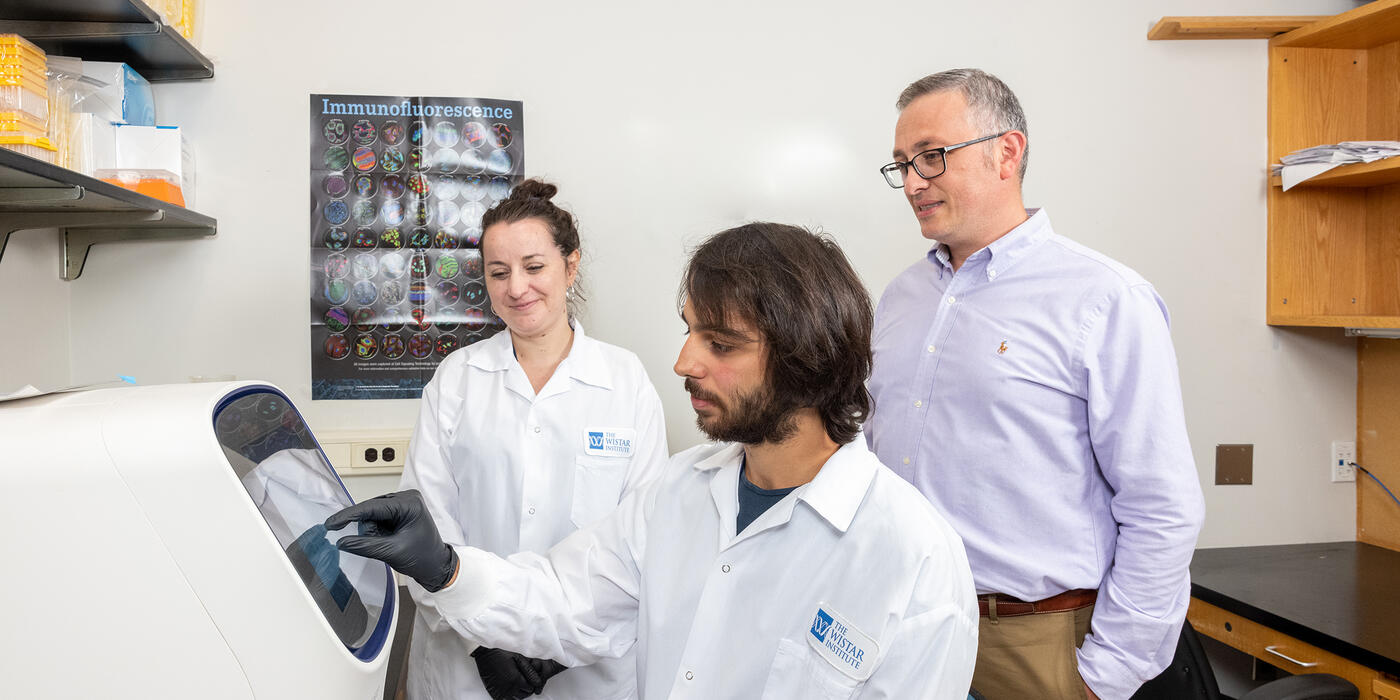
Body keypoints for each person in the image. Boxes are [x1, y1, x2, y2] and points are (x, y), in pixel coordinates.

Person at [328, 222, 980, 699]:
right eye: (689, 329)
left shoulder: (912, 559)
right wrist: (443, 568)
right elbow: (563, 596)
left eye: (720, 343)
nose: (684, 362)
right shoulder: (678, 493)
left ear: (805, 358)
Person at [866, 68, 1205, 700]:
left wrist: (1104, 677)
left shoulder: (1104, 298)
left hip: (1032, 642)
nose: (913, 182)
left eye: (931, 157)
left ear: (1007, 151)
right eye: (901, 164)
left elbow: (1162, 505)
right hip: (907, 627)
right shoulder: (900, 299)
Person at [398, 179, 670, 700]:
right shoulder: (457, 379)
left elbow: (645, 536)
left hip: (586, 669)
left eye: (534, 267)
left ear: (570, 267)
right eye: (498, 273)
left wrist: (551, 648)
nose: (517, 287)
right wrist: (485, 641)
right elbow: (428, 528)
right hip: (466, 667)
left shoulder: (626, 380)